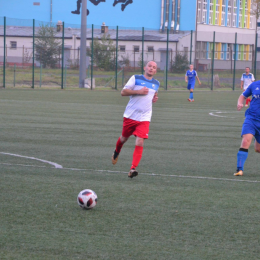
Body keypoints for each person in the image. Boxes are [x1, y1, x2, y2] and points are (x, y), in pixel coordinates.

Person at [111, 61, 159, 178]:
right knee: (123, 139)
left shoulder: (156, 83)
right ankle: (117, 151)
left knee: (140, 141)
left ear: (155, 71)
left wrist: (154, 98)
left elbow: (154, 94)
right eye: (149, 66)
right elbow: (123, 92)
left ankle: (133, 169)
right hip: (130, 116)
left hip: (145, 117)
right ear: (145, 68)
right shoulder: (135, 78)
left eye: (154, 67)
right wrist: (138, 91)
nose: (151, 69)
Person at [234, 79, 260, 176]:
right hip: (251, 119)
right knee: (245, 141)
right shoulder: (254, 85)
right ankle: (239, 169)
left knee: (258, 149)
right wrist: (240, 103)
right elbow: (243, 96)